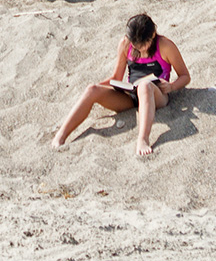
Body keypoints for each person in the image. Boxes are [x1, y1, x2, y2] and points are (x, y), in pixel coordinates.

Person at [50, 12, 190, 157]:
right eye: (136, 47)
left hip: (157, 95)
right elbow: (117, 77)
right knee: (92, 89)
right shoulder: (125, 44)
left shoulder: (165, 46)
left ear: (153, 35)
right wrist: (98, 88)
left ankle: (143, 139)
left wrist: (172, 86)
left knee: (145, 86)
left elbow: (185, 76)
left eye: (144, 46)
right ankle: (61, 136)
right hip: (132, 95)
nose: (141, 50)